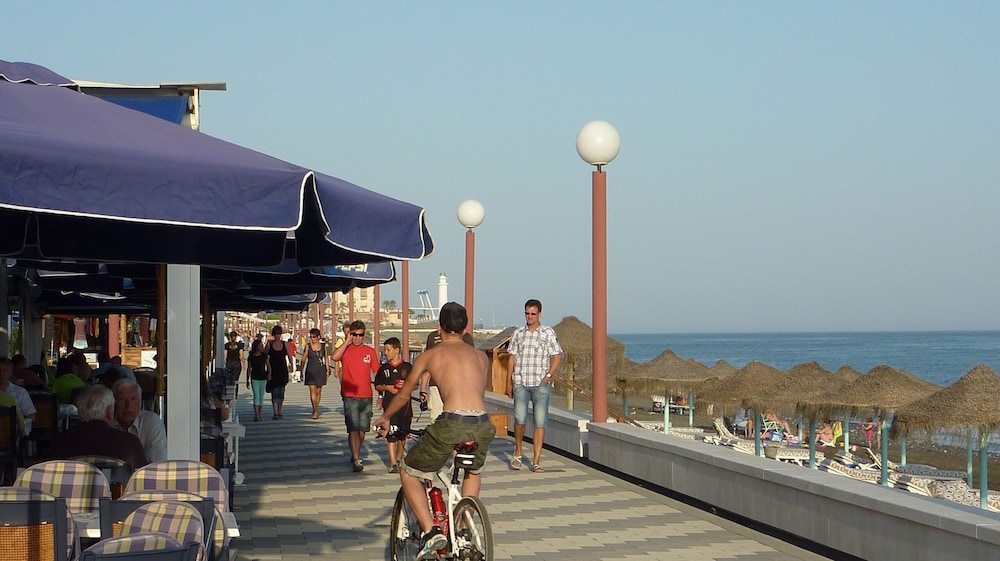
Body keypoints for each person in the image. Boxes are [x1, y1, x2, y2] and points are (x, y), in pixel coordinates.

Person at [374, 303, 494, 560]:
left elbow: (404, 393)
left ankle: (431, 531)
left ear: (440, 328)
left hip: (452, 421)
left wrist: (385, 417)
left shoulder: (431, 355)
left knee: (408, 470)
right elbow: (478, 393)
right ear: (465, 327)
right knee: (473, 470)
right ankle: (464, 529)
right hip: (483, 422)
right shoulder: (481, 357)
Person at [506, 298, 562, 473]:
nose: (530, 316)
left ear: (539, 314)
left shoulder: (548, 333)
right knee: (520, 419)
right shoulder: (518, 333)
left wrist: (548, 376)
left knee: (540, 421)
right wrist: (509, 381)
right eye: (527, 313)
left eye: (533, 314)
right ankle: (518, 450)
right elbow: (511, 357)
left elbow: (557, 356)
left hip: (540, 383)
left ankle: (536, 460)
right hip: (521, 382)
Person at [54, 384, 148, 468]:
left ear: (79, 413)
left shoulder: (60, 441)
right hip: (115, 483)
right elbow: (142, 477)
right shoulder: (130, 443)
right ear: (110, 412)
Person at [331, 320, 378, 472]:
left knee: (362, 430)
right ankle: (356, 458)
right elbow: (334, 357)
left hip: (367, 395)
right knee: (353, 428)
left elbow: (377, 372)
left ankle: (355, 451)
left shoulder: (370, 351)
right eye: (354, 335)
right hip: (350, 395)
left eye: (360, 335)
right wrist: (347, 342)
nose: (357, 338)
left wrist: (382, 394)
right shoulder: (345, 350)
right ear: (350, 334)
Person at [373, 337, 412, 473]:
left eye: (388, 350)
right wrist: (387, 388)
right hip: (389, 404)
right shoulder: (384, 368)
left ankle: (399, 458)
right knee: (391, 432)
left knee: (403, 433)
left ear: (397, 350)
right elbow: (377, 385)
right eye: (385, 350)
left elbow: (415, 385)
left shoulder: (407, 367)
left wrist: (406, 385)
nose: (386, 353)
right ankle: (393, 462)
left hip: (405, 405)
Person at [418, 329, 474, 422]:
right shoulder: (433, 336)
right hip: (436, 386)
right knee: (436, 418)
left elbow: (471, 363)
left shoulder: (466, 337)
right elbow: (428, 365)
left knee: (457, 420)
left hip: (459, 387)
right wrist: (422, 390)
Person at [112, 378, 167, 463]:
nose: (128, 406)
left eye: (133, 399)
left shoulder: (151, 421)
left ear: (140, 402)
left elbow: (156, 462)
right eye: (122, 399)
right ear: (113, 403)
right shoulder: (108, 423)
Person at [300, 328, 331, 419]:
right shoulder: (308, 346)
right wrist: (301, 370)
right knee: (312, 390)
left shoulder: (323, 346)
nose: (312, 339)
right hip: (311, 370)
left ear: (318, 337)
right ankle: (315, 410)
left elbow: (326, 358)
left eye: (314, 337)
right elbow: (303, 358)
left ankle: (316, 407)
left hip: (320, 370)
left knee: (318, 390)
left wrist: (327, 369)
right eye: (311, 337)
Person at [265, 324, 293, 420]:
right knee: (274, 391)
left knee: (281, 391)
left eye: (279, 333)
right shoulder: (269, 344)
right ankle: (275, 412)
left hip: (282, 370)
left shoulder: (285, 344)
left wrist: (292, 366)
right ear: (273, 334)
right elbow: (265, 356)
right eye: (276, 334)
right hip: (273, 370)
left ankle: (280, 411)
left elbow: (289, 355)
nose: (277, 335)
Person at [0, 356, 36, 429]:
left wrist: (20, 423)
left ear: (10, 373)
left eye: (5, 370)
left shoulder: (21, 392)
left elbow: (31, 416)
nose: (1, 373)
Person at [246, 339, 269, 422]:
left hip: (263, 377)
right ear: (256, 347)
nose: (262, 347)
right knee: (256, 396)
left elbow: (268, 365)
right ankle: (256, 414)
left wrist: (269, 374)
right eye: (260, 346)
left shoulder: (264, 356)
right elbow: (249, 368)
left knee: (261, 396)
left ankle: (260, 413)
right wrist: (247, 379)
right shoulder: (251, 356)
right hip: (254, 377)